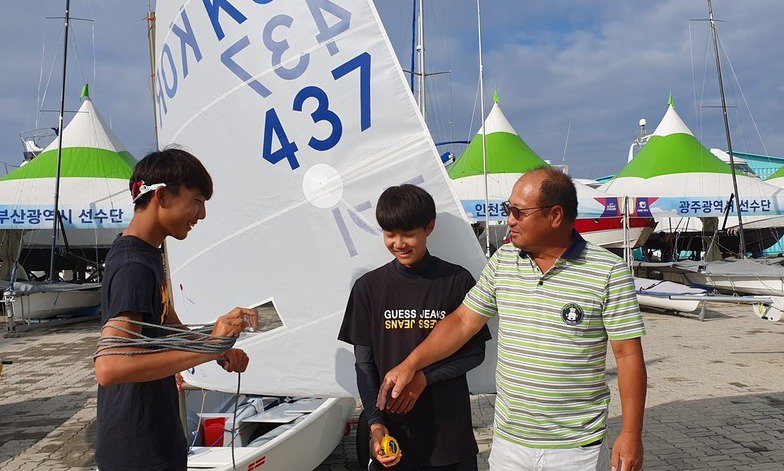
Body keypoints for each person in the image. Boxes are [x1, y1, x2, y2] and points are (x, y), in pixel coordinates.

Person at [378, 168, 647, 471]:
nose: (509, 220)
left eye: (518, 212)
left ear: (555, 215)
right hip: (509, 446)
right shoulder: (503, 261)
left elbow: (627, 356)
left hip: (575, 449)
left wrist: (630, 433)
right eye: (509, 210)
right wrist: (409, 364)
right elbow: (463, 321)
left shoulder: (608, 271)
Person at [94, 148, 257, 471]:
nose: (202, 214)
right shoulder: (133, 266)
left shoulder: (148, 254)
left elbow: (168, 325)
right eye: (197, 201)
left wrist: (218, 346)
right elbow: (110, 368)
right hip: (137, 451)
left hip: (155, 436)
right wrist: (212, 348)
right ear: (164, 197)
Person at [338, 184, 492, 470]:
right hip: (392, 437)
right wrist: (375, 425)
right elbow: (364, 365)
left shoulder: (457, 280)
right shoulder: (368, 288)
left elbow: (475, 353)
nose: (399, 243)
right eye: (390, 234)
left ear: (429, 228)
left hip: (449, 439)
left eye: (409, 234)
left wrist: (424, 377)